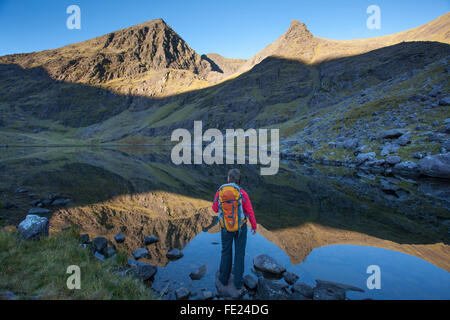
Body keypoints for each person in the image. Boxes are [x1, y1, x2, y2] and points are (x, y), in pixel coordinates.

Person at [212, 168, 257, 289]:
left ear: (228, 179)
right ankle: (238, 283)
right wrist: (254, 225)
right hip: (241, 228)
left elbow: (215, 209)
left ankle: (223, 279)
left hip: (225, 227)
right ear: (239, 181)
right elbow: (249, 211)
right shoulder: (242, 193)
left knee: (226, 252)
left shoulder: (220, 191)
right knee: (239, 253)